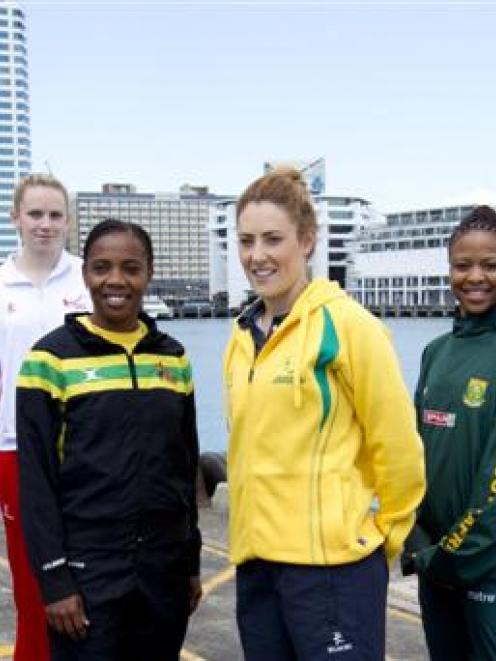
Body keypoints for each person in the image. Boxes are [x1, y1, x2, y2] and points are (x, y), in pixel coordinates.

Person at [223, 167, 426, 660]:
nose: (257, 255)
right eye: (246, 240)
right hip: (258, 568)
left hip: (334, 571)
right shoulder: (241, 336)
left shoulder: (350, 327)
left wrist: (382, 538)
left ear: (307, 241)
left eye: (273, 239)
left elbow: (397, 448)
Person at [16, 219, 202, 660]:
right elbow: (36, 482)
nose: (115, 280)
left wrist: (190, 563)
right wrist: (55, 580)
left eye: (130, 268)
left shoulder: (172, 358)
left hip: (163, 571)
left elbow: (185, 466)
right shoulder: (50, 359)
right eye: (102, 267)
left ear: (148, 273)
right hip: (88, 572)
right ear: (86, 275)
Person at [0, 174, 90, 661]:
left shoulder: (87, 278)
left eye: (55, 215)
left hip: (82, 446)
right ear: (16, 217)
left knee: (84, 570)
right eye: (35, 214)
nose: (45, 224)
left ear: (68, 221)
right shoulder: (0, 285)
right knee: (31, 576)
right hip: (14, 447)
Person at [402, 205, 496, 660]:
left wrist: (448, 556)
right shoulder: (435, 353)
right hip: (435, 564)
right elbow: (411, 452)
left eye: (490, 264)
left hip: (484, 569)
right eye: (463, 265)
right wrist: (418, 540)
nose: (475, 276)